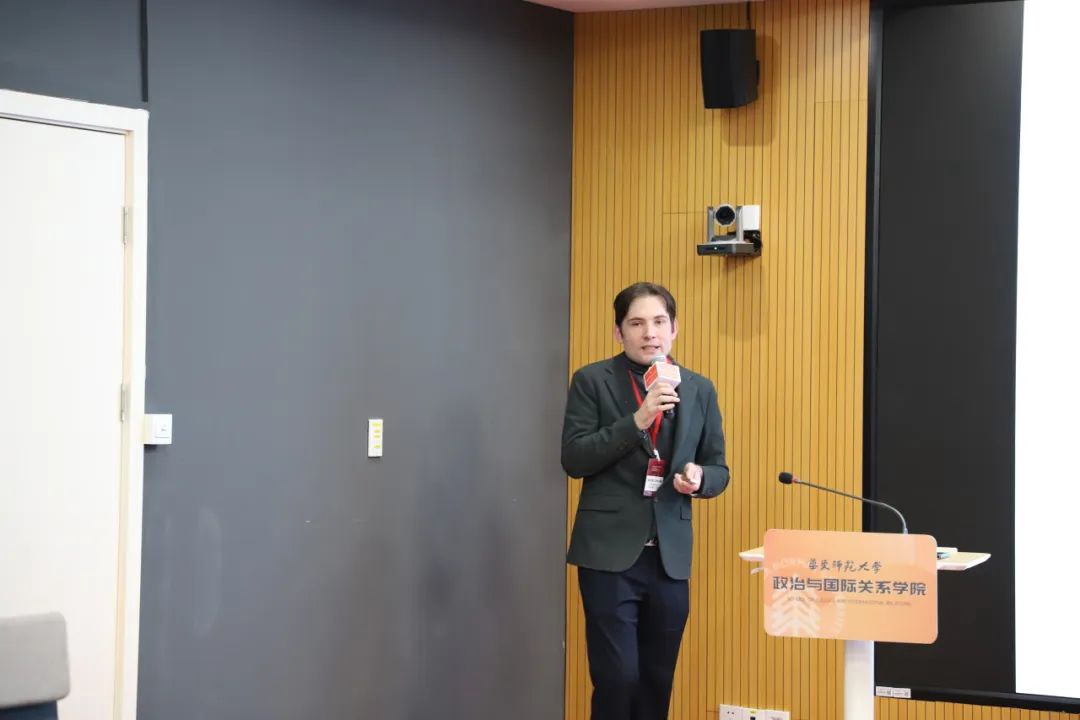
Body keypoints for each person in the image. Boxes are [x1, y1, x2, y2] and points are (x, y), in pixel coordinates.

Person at [561, 282, 730, 720]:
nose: (649, 333)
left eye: (658, 322)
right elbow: (574, 458)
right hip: (609, 554)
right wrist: (638, 418)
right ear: (619, 332)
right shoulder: (592, 381)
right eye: (636, 323)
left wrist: (700, 478)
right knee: (618, 678)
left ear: (674, 329)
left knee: (657, 680)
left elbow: (719, 468)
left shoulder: (699, 389)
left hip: (669, 558)